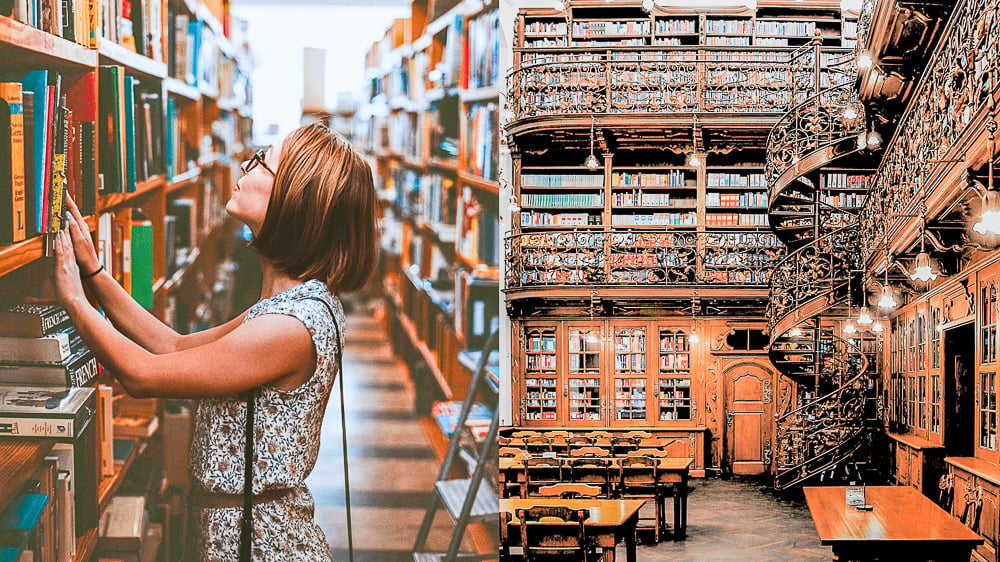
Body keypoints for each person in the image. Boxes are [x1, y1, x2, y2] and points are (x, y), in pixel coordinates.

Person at [53, 122, 379, 560]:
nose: (248, 164)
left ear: (294, 200)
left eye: (264, 161)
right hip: (243, 534)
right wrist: (94, 274)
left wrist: (74, 299)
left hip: (263, 546)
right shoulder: (291, 303)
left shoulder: (290, 326)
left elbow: (141, 375)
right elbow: (171, 347)